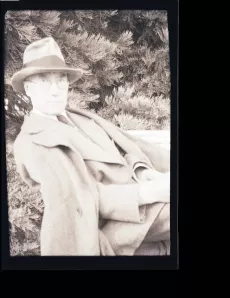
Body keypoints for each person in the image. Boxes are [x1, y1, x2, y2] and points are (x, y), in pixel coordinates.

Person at [11, 37, 170, 256]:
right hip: (117, 220)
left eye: (60, 79)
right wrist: (146, 192)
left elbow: (122, 148)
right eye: (44, 80)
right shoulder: (31, 142)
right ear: (28, 89)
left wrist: (141, 171)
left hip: (145, 194)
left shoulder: (81, 118)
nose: (55, 89)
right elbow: (77, 199)